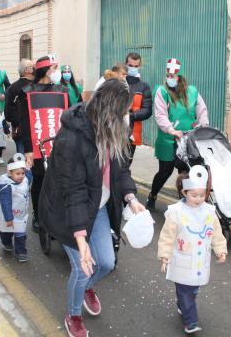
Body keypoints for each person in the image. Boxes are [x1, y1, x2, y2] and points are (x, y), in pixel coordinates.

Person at [38, 79, 145, 337]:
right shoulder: (72, 139)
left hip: (96, 206)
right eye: (123, 111)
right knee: (81, 266)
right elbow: (73, 192)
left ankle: (86, 287)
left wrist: (131, 197)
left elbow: (121, 169)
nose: (127, 116)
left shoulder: (115, 128)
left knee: (106, 263)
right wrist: (80, 239)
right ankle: (73, 315)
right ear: (109, 110)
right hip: (66, 212)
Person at [157, 166, 227, 334]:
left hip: (200, 262)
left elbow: (216, 233)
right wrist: (165, 256)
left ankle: (183, 304)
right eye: (194, 195)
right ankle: (191, 321)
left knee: (193, 290)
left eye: (202, 195)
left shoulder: (209, 211)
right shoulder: (176, 213)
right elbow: (167, 237)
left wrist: (220, 250)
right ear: (184, 192)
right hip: (181, 261)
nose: (198, 199)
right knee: (186, 290)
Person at [147, 58, 209, 210]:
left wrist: (203, 126)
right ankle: (152, 195)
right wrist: (171, 130)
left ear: (180, 77)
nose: (169, 79)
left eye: (173, 76)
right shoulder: (162, 91)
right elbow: (160, 115)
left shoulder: (192, 91)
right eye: (168, 75)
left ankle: (187, 204)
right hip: (168, 139)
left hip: (188, 139)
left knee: (188, 173)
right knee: (165, 172)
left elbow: (202, 111)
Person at [17, 54, 70, 232]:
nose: (57, 71)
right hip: (38, 144)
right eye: (55, 68)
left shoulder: (62, 90)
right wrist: (29, 150)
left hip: (59, 144)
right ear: (46, 70)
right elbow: (25, 122)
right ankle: (38, 215)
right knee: (39, 180)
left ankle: (56, 214)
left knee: (59, 180)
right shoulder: (28, 91)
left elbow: (68, 116)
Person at [0, 154, 33, 262]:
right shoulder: (6, 186)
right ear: (9, 173)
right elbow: (5, 203)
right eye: (17, 174)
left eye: (22, 173)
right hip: (9, 216)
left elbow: (28, 180)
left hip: (21, 215)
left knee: (20, 234)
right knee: (6, 232)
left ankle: (21, 252)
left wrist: (28, 169)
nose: (21, 176)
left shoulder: (24, 180)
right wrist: (9, 218)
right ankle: (6, 242)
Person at [124, 52, 152, 166]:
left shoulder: (143, 86)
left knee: (126, 164)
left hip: (132, 132)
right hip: (114, 131)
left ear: (140, 66)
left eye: (136, 66)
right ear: (126, 64)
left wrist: (131, 116)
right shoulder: (119, 82)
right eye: (131, 65)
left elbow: (147, 110)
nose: (133, 68)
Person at [4, 58, 34, 153]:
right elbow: (8, 110)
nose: (35, 69)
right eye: (32, 67)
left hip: (34, 127)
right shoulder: (15, 87)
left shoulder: (37, 85)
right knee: (24, 160)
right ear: (26, 70)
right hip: (21, 129)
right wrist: (17, 123)